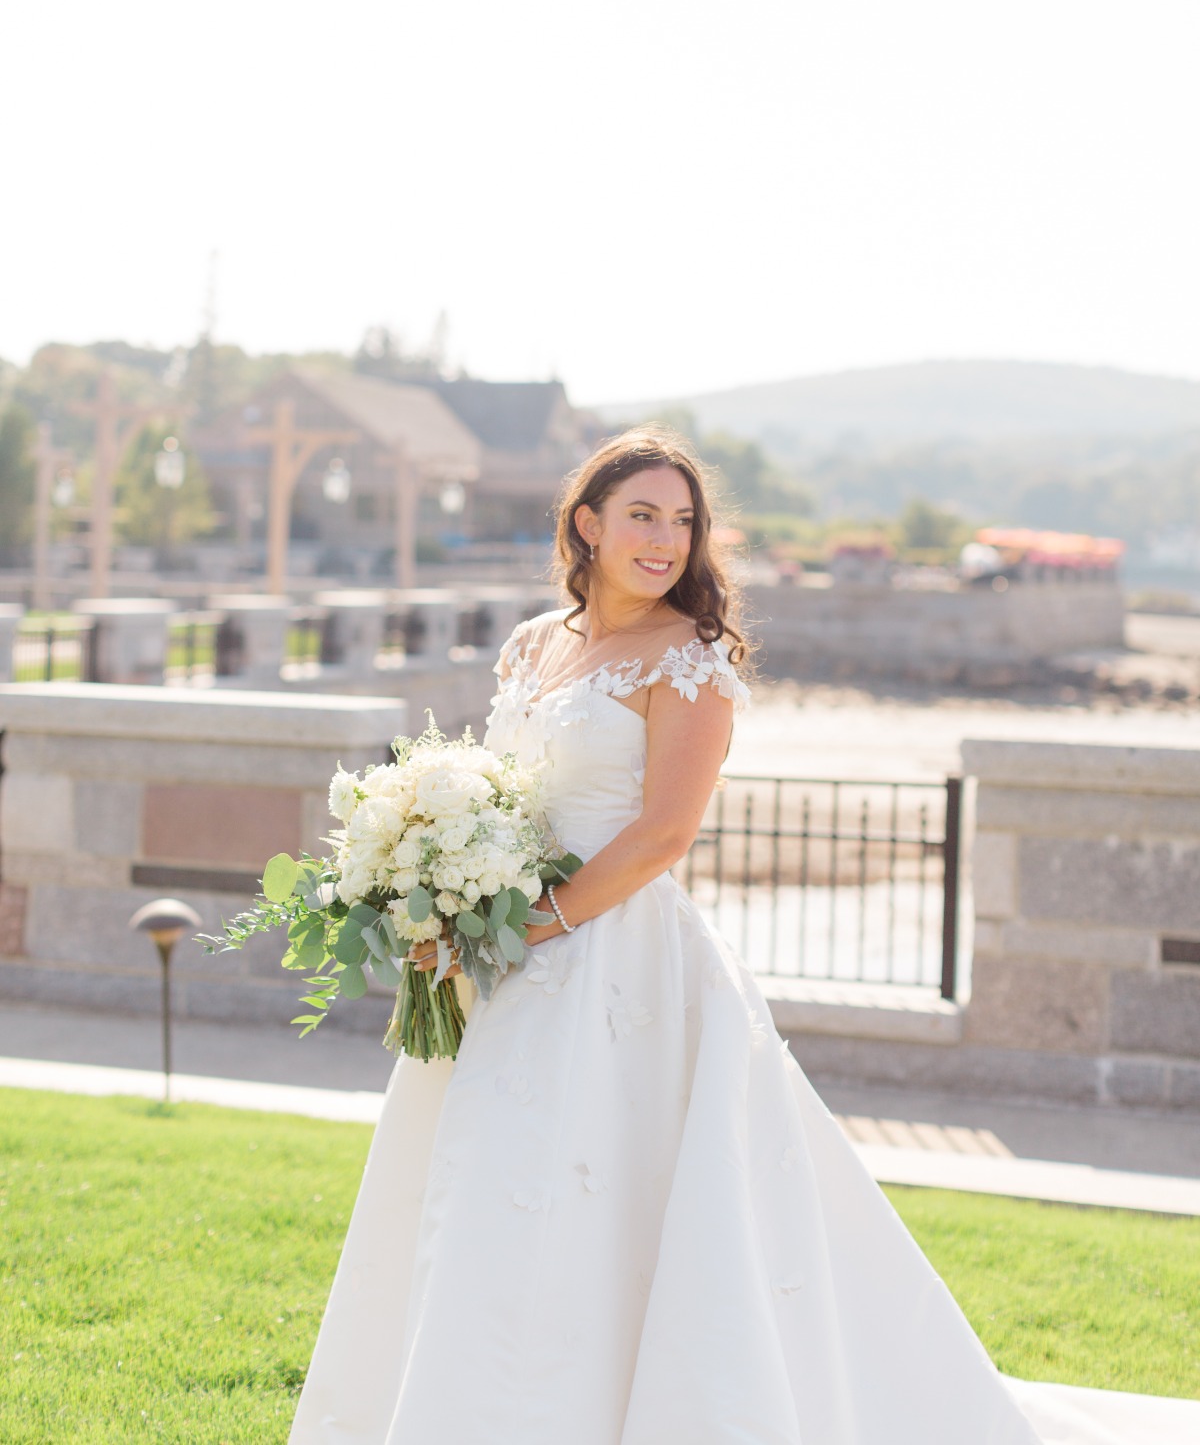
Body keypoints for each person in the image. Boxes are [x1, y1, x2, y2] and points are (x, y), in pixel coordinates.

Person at [290, 429, 1043, 1444]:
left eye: (682, 521)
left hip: (612, 961)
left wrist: (532, 930)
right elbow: (509, 801)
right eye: (642, 515)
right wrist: (440, 890)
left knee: (596, 1202)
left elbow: (662, 836)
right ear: (587, 524)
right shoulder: (530, 646)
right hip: (497, 953)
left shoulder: (690, 663)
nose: (665, 540)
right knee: (475, 1190)